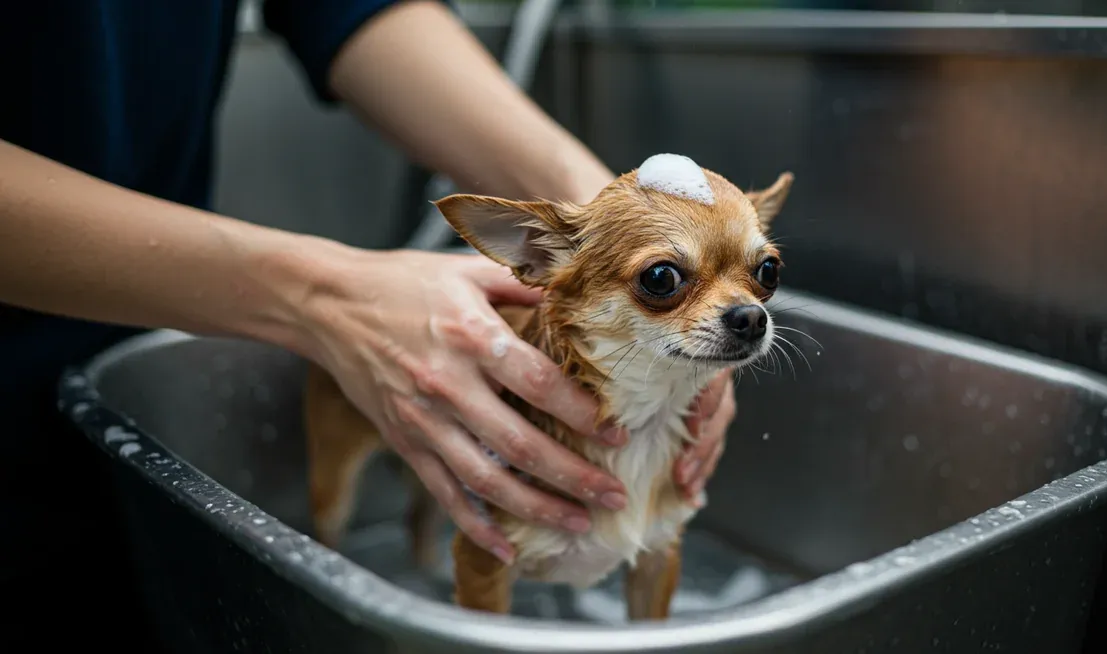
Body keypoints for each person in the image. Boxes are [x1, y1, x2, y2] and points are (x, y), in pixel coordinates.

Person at [0, 1, 735, 649]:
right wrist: (320, 297)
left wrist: (614, 218)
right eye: (664, 281)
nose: (745, 309)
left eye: (762, 275)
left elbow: (353, 6)